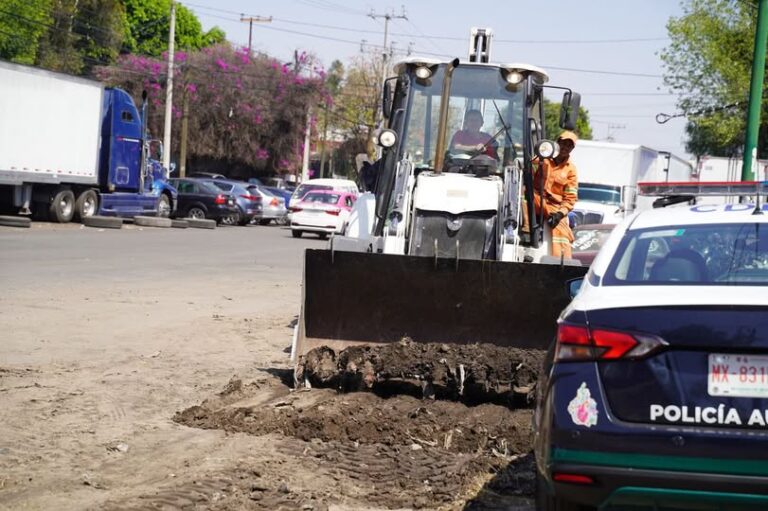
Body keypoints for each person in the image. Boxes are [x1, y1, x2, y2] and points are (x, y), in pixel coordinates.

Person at [533, 130, 579, 259]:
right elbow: (527, 173)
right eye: (563, 143)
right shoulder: (542, 158)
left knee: (562, 233)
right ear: (557, 143)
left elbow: (570, 198)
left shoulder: (571, 170)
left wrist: (560, 214)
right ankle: (526, 230)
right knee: (526, 197)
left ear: (572, 149)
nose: (565, 147)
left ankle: (561, 263)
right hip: (536, 199)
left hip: (555, 207)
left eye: (569, 145)